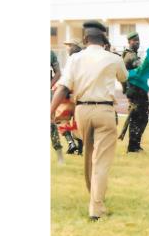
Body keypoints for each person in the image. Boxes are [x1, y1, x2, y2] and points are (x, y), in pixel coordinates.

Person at [50, 21, 127, 221]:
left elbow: (64, 87)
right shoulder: (113, 58)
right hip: (104, 111)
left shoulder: (75, 58)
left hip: (82, 110)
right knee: (100, 161)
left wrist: (50, 111)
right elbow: (124, 77)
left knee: (89, 156)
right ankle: (96, 208)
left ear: (85, 39)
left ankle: (93, 197)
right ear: (105, 40)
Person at [121, 31, 149, 153]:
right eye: (134, 40)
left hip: (134, 90)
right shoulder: (131, 56)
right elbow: (142, 68)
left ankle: (135, 145)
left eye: (138, 40)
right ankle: (133, 146)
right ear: (129, 42)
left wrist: (125, 89)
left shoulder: (127, 55)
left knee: (138, 117)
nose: (137, 42)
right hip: (136, 91)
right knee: (140, 117)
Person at [57, 37, 87, 156]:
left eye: (69, 46)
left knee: (60, 119)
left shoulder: (72, 60)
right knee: (78, 122)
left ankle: (71, 143)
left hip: (70, 95)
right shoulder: (85, 60)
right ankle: (79, 149)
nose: (67, 48)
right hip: (82, 96)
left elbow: (67, 79)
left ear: (75, 48)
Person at [51, 49, 63, 163]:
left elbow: (58, 73)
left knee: (51, 124)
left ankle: (60, 156)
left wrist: (49, 85)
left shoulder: (50, 54)